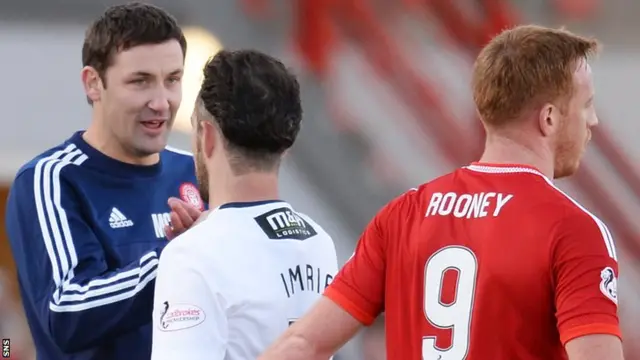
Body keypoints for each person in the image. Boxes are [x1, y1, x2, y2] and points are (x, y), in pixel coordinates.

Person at [259, 25, 625, 360]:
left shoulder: (403, 214)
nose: (592, 120)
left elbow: (303, 343)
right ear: (548, 119)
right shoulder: (572, 229)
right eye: (586, 105)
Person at [5, 3, 203, 359]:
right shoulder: (52, 179)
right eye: (140, 81)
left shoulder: (198, 172)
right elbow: (66, 312)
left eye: (173, 79)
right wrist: (178, 260)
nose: (162, 102)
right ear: (93, 83)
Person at [150, 49, 339, 360]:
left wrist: (194, 251)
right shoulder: (319, 242)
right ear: (285, 145)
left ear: (206, 136)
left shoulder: (193, 255)